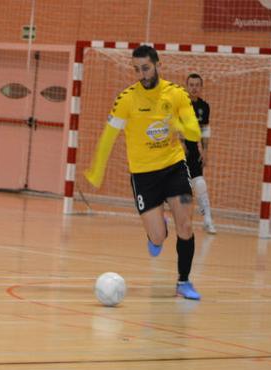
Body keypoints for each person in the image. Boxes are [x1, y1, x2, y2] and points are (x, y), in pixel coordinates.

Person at [84, 45, 202, 300]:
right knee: (158, 237)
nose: (142, 74)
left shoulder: (177, 94)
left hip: (174, 167)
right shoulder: (126, 99)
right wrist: (97, 169)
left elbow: (194, 133)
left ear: (158, 65)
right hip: (144, 175)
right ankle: (158, 234)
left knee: (187, 224)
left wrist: (177, 124)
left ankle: (183, 281)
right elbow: (108, 137)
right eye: (137, 69)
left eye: (146, 68)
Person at [184, 73, 215, 234]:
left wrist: (205, 150)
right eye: (191, 84)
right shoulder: (180, 103)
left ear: (201, 87)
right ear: (186, 86)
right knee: (178, 188)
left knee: (200, 185)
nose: (194, 87)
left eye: (197, 85)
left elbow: (204, 130)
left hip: (194, 150)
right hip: (176, 151)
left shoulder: (204, 106)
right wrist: (180, 143)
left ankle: (207, 220)